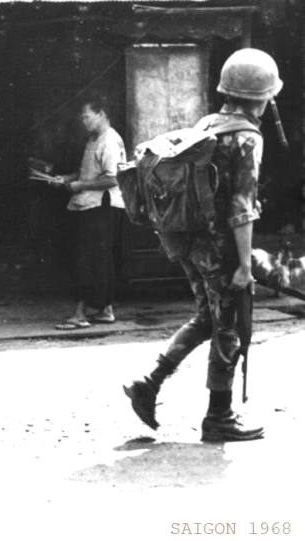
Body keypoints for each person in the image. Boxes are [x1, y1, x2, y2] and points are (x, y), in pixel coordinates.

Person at [123, 48, 283, 442]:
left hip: (188, 242)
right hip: (221, 247)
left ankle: (149, 382)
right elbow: (242, 209)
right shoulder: (247, 137)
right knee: (226, 324)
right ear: (263, 96)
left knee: (208, 318)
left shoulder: (210, 123)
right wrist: (245, 266)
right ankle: (219, 416)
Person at [52, 96, 126, 330]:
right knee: (98, 260)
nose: (83, 121)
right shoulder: (94, 139)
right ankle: (104, 310)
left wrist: (79, 186)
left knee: (90, 260)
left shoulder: (110, 140)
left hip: (101, 206)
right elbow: (88, 172)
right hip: (90, 205)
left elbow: (112, 178)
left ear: (101, 113)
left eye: (87, 116)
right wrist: (67, 179)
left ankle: (80, 313)